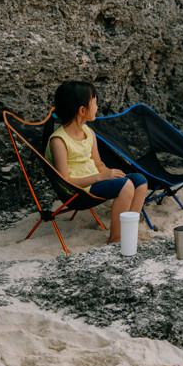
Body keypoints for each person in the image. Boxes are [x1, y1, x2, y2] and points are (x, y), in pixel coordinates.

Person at [43, 81, 149, 244]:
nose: (97, 107)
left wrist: (110, 174)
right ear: (82, 110)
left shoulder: (89, 132)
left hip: (95, 181)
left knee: (140, 182)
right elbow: (66, 181)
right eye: (95, 103)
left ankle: (129, 232)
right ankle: (116, 238)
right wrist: (101, 178)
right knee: (126, 185)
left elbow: (98, 164)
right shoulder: (59, 141)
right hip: (78, 191)